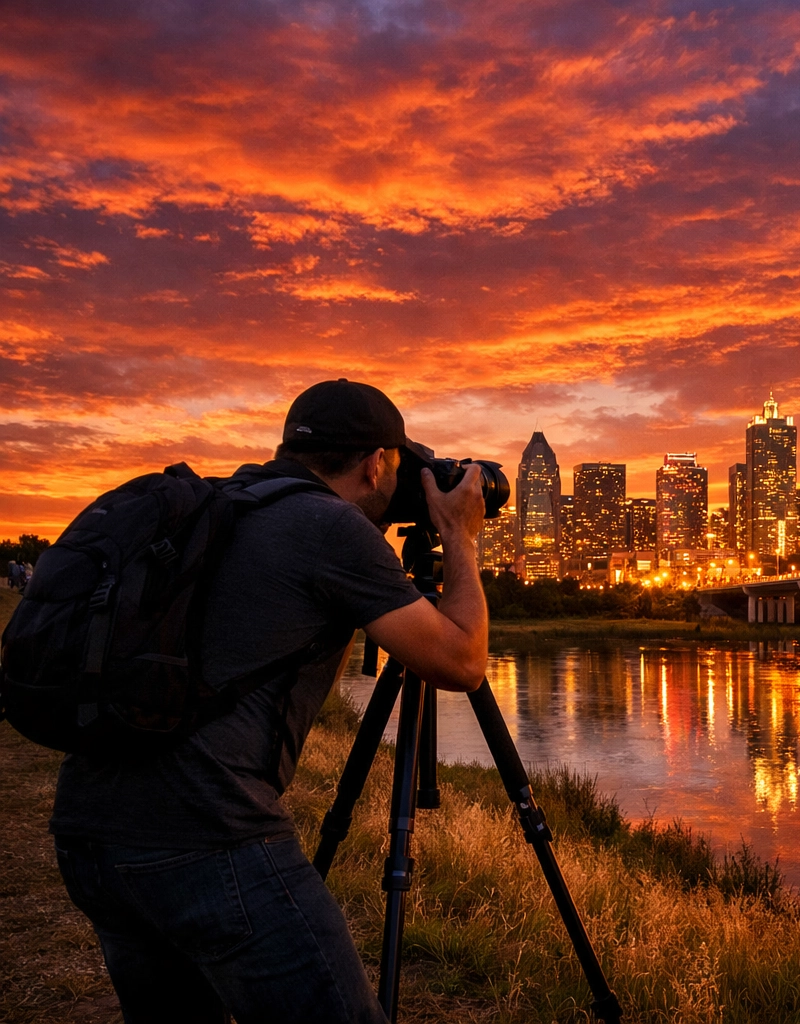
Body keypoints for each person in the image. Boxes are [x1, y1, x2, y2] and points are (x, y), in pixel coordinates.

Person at [49, 380, 489, 1024]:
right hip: (205, 836)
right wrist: (461, 537)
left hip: (88, 831)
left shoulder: (224, 502)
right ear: (375, 464)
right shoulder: (330, 526)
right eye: (398, 466)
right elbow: (463, 662)